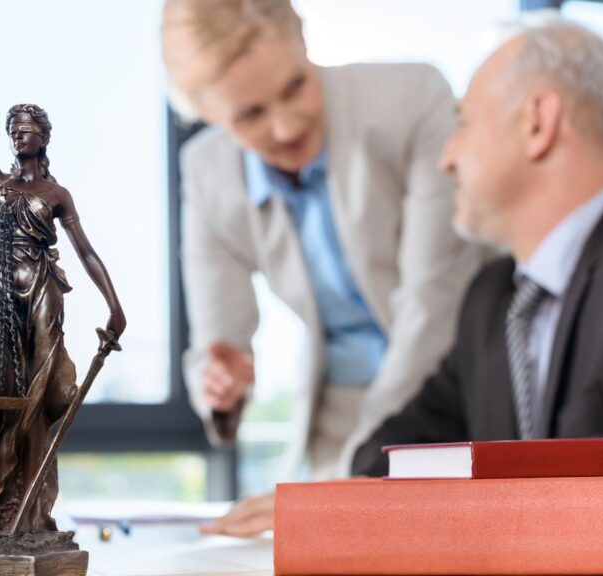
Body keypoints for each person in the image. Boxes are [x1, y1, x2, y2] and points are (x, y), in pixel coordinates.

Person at [205, 17, 603, 537]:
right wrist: (330, 507)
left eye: (462, 122)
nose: (445, 157)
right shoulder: (492, 302)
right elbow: (399, 446)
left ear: (538, 121)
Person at [162, 0, 486, 487]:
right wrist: (219, 384)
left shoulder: (412, 98)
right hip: (341, 410)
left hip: (459, 389)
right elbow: (217, 344)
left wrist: (358, 469)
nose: (287, 127)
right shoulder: (207, 174)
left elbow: (431, 306)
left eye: (295, 86)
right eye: (249, 114)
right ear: (206, 112)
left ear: (303, 39)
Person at [0, 45, 126, 533]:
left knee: (34, 397)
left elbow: (86, 252)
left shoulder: (56, 195)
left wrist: (115, 306)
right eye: (13, 130)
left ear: (44, 137)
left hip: (41, 296)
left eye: (27, 129)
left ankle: (28, 504)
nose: (18, 136)